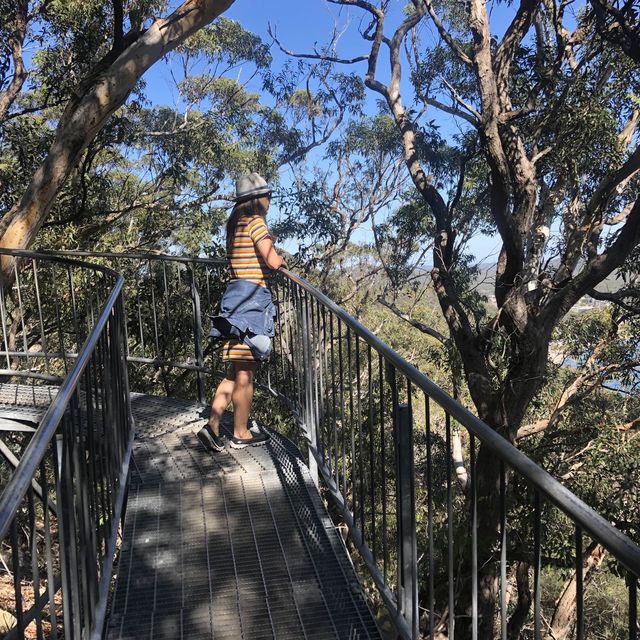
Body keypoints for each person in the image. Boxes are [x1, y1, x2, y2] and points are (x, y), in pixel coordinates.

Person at [197, 172, 286, 451]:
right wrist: (282, 260)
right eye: (267, 195)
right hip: (250, 304)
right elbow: (271, 260)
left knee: (235, 371)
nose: (269, 200)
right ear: (256, 199)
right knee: (246, 373)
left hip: (234, 300)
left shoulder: (235, 225)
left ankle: (212, 425)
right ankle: (240, 433)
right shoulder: (256, 223)